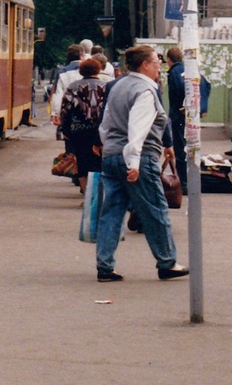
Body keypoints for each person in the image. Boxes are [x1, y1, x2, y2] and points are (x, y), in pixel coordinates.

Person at [94, 45, 189, 283]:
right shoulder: (146, 90)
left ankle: (104, 265)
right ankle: (167, 262)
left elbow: (105, 123)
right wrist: (133, 162)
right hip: (139, 156)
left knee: (112, 212)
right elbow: (137, 129)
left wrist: (109, 147)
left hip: (112, 155)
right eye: (157, 62)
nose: (160, 67)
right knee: (155, 209)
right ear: (145, 65)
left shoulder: (118, 86)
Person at [58, 58, 107, 195]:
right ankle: (98, 196)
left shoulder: (73, 87)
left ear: (81, 71)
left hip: (79, 131)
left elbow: (65, 110)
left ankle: (87, 197)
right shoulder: (106, 86)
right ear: (98, 70)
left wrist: (65, 129)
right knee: (98, 163)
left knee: (82, 163)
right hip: (101, 131)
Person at [165, 47, 188, 193]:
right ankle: (187, 180)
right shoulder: (187, 70)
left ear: (169, 59)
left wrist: (179, 106)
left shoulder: (174, 72)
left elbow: (177, 90)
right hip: (187, 114)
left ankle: (184, 183)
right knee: (186, 147)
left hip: (178, 113)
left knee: (179, 148)